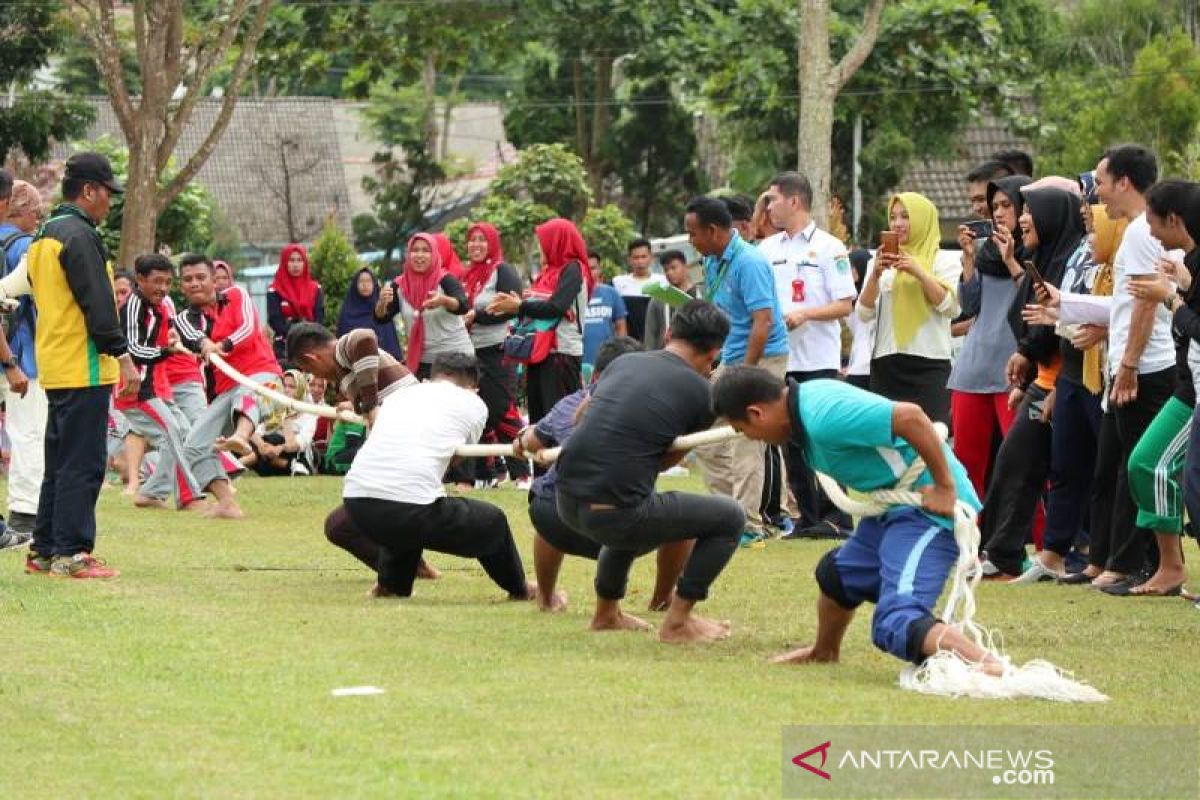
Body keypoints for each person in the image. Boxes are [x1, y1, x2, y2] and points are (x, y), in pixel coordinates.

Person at [711, 366, 992, 671]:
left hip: (930, 512)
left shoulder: (823, 414)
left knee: (897, 622)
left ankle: (993, 668)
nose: (750, 438)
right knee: (838, 576)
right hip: (894, 509)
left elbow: (910, 417)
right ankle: (824, 652)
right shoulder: (803, 414)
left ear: (756, 413)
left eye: (743, 430)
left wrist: (944, 487)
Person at [556, 300, 743, 641]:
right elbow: (669, 460)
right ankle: (679, 621)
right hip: (615, 514)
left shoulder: (625, 362)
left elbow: (580, 417)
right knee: (730, 516)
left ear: (670, 333)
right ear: (714, 352)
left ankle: (606, 614)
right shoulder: (702, 392)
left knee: (634, 497)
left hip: (565, 501)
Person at [24, 152, 140, 579]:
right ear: (89, 191)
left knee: (59, 462)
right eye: (107, 193)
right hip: (83, 365)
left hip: (54, 363)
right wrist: (122, 356)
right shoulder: (80, 235)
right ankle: (72, 553)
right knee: (84, 463)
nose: (110, 202)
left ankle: (43, 550)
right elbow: (98, 305)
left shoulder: (44, 236)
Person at [517, 336, 692, 614]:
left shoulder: (568, 403)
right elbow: (664, 462)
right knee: (685, 520)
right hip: (616, 521)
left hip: (557, 518)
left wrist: (522, 439)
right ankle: (661, 599)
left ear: (595, 374)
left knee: (548, 493)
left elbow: (533, 442)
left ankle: (547, 598)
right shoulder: (649, 406)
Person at [343, 352, 533, 600]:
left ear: (432, 376)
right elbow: (454, 460)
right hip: (403, 508)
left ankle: (391, 586)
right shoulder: (474, 404)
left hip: (355, 502)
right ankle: (520, 589)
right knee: (492, 521)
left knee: (409, 501)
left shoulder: (399, 395)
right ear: (474, 386)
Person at [1076, 145, 1176, 592]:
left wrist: (1130, 365)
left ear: (1124, 183)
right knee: (1110, 467)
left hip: (1148, 366)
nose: (1097, 195)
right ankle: (1103, 559)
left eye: (1100, 183)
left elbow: (1144, 305)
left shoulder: (1140, 232)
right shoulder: (1136, 230)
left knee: (1134, 468)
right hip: (1128, 362)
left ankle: (1132, 563)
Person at [979, 186, 1084, 579]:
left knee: (1048, 465)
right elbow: (1028, 324)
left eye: (1028, 212)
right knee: (1015, 461)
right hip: (1043, 383)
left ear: (1053, 217)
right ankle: (1002, 552)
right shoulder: (1040, 259)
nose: (1021, 219)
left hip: (1064, 384)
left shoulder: (1068, 265)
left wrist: (1030, 359)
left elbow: (1058, 326)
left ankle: (1064, 554)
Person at [286, 322, 439, 585]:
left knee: (342, 525)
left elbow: (364, 337)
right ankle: (411, 566)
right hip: (400, 448)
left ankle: (409, 567)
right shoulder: (348, 374)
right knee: (342, 525)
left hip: (413, 439)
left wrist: (369, 404)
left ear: (312, 357)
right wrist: (358, 406)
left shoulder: (343, 348)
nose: (316, 376)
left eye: (309, 369)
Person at [683, 195, 789, 546]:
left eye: (693, 233)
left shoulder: (750, 262)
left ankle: (749, 525)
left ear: (713, 230)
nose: (690, 241)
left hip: (762, 358)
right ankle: (727, 513)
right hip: (730, 357)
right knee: (707, 437)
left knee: (746, 438)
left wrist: (744, 373)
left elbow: (764, 322)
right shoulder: (713, 261)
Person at [760, 171, 857, 535]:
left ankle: (837, 516)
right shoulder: (766, 250)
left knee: (824, 437)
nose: (768, 207)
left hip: (818, 359)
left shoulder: (830, 247)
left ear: (794, 201)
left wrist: (805, 314)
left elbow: (844, 305)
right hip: (781, 359)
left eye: (773, 200)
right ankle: (808, 518)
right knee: (791, 442)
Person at [1119, 180, 1200, 596]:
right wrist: (1182, 284)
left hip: (1192, 388)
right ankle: (1171, 565)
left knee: (1165, 469)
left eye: (1152, 220)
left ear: (1174, 219)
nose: (1149, 230)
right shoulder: (1191, 259)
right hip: (1186, 386)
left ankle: (1171, 565)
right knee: (1144, 462)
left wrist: (1170, 296)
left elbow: (1195, 325)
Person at [176, 256, 281, 519]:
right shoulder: (185, 318)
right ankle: (226, 503)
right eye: (188, 279)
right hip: (225, 390)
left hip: (261, 374)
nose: (195, 283)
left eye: (201, 277)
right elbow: (193, 338)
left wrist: (220, 347)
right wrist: (204, 345)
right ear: (181, 286)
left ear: (214, 280)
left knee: (248, 392)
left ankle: (242, 437)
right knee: (194, 445)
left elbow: (248, 328)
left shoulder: (237, 294)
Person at [948, 169, 1028, 501]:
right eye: (994, 206)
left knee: (1022, 464)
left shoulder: (1038, 249)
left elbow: (1036, 299)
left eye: (1006, 205)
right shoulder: (986, 253)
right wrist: (969, 260)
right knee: (966, 466)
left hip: (1015, 369)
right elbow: (969, 305)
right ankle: (969, 543)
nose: (997, 213)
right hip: (974, 366)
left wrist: (1012, 261)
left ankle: (1044, 547)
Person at [856, 192, 961, 425]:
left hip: (930, 365)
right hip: (887, 364)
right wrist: (874, 275)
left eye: (905, 216)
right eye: (893, 217)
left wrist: (919, 272)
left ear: (923, 219)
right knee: (889, 446)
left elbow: (951, 308)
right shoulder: (880, 259)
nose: (897, 223)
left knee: (933, 439)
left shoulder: (943, 260)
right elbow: (863, 314)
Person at [118, 253, 204, 510]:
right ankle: (189, 497)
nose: (163, 288)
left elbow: (179, 325)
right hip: (137, 390)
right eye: (157, 281)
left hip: (156, 387)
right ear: (140, 279)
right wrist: (166, 351)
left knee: (184, 433)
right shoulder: (134, 305)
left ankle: (152, 492)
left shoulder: (161, 303)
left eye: (167, 282)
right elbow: (133, 349)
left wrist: (202, 343)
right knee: (171, 433)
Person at [486, 218, 593, 424]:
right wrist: (517, 303)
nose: (540, 248)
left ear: (557, 242)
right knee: (539, 420)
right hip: (540, 353)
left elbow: (556, 306)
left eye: (543, 242)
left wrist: (519, 306)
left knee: (560, 421)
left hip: (561, 355)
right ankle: (541, 457)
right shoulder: (548, 272)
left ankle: (559, 458)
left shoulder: (573, 268)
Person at [460, 222, 530, 488]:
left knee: (503, 410)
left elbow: (511, 308)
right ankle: (491, 472)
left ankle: (522, 472)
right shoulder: (468, 275)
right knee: (482, 412)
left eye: (481, 240)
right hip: (472, 351)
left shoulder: (503, 270)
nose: (475, 245)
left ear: (492, 243)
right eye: (471, 240)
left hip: (499, 350)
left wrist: (477, 316)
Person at [0, 180, 46, 539]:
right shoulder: (25, 247)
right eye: (36, 211)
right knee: (28, 431)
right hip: (20, 352)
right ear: (19, 209)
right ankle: (25, 514)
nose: (38, 217)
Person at [375, 233, 473, 380]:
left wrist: (444, 301)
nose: (419, 255)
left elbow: (463, 305)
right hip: (423, 361)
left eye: (426, 250)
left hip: (456, 357)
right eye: (415, 250)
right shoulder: (399, 285)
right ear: (408, 254)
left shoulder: (445, 279)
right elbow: (382, 318)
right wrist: (381, 303)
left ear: (434, 254)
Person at [239, 369, 316, 476]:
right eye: (284, 385)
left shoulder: (309, 414)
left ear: (300, 389)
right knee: (260, 440)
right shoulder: (272, 407)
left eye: (292, 387)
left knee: (275, 438)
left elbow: (298, 444)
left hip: (294, 454)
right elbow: (254, 432)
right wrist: (262, 446)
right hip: (267, 454)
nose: (286, 390)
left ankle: (236, 465)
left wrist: (279, 447)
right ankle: (292, 466)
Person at [267, 244, 324, 362]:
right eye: (291, 260)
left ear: (305, 263)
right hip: (284, 346)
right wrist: (295, 335)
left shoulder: (315, 288)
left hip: (311, 344)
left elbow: (319, 317)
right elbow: (275, 320)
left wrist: (307, 336)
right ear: (284, 263)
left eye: (299, 260)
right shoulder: (274, 290)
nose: (296, 264)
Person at [336, 267, 403, 361]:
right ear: (355, 285)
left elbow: (391, 344)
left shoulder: (382, 310)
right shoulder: (347, 313)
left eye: (368, 281)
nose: (365, 285)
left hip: (384, 366)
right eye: (361, 281)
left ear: (374, 284)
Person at [643, 249, 699, 351]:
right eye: (666, 270)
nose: (669, 273)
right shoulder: (659, 298)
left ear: (685, 267)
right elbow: (650, 334)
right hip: (666, 354)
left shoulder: (701, 295)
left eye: (673, 268)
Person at [611, 238, 666, 342]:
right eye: (636, 257)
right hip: (629, 344)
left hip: (656, 343)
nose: (640, 261)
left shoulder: (663, 282)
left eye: (643, 257)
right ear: (629, 259)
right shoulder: (618, 283)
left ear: (651, 257)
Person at [582, 251, 628, 373]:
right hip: (580, 363)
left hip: (608, 362)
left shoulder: (611, 293)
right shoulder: (572, 297)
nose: (590, 273)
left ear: (600, 269)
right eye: (585, 269)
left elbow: (621, 327)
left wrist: (621, 355)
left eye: (593, 268)